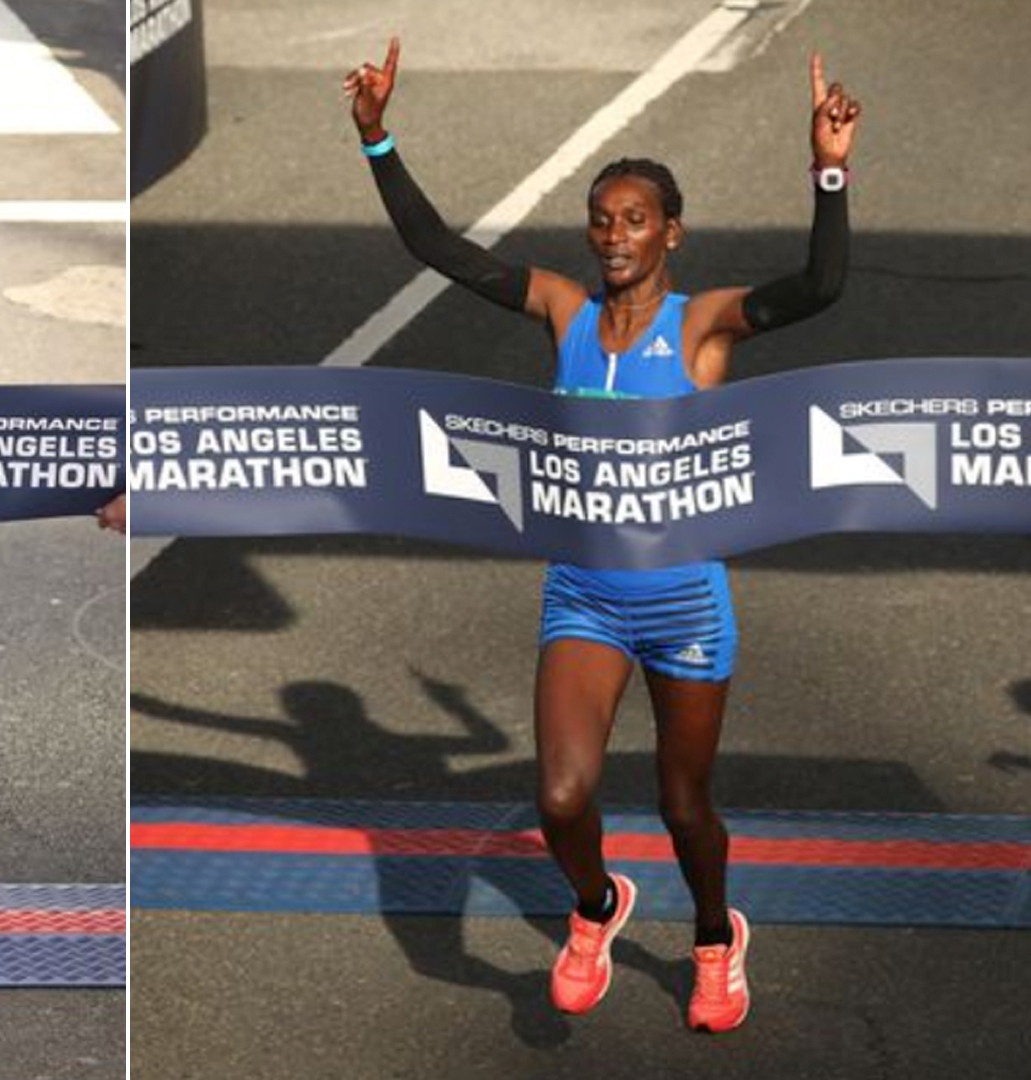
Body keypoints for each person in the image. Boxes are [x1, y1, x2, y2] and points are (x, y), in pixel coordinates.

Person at [344, 38, 858, 1032]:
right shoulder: (562, 308)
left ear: (671, 233)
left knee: (682, 808)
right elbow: (438, 250)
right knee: (564, 799)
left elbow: (820, 288)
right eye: (601, 219)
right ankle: (596, 906)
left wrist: (827, 168)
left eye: (634, 221)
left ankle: (716, 936)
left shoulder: (704, 325)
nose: (613, 235)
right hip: (583, 593)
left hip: (682, 603)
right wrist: (376, 138)